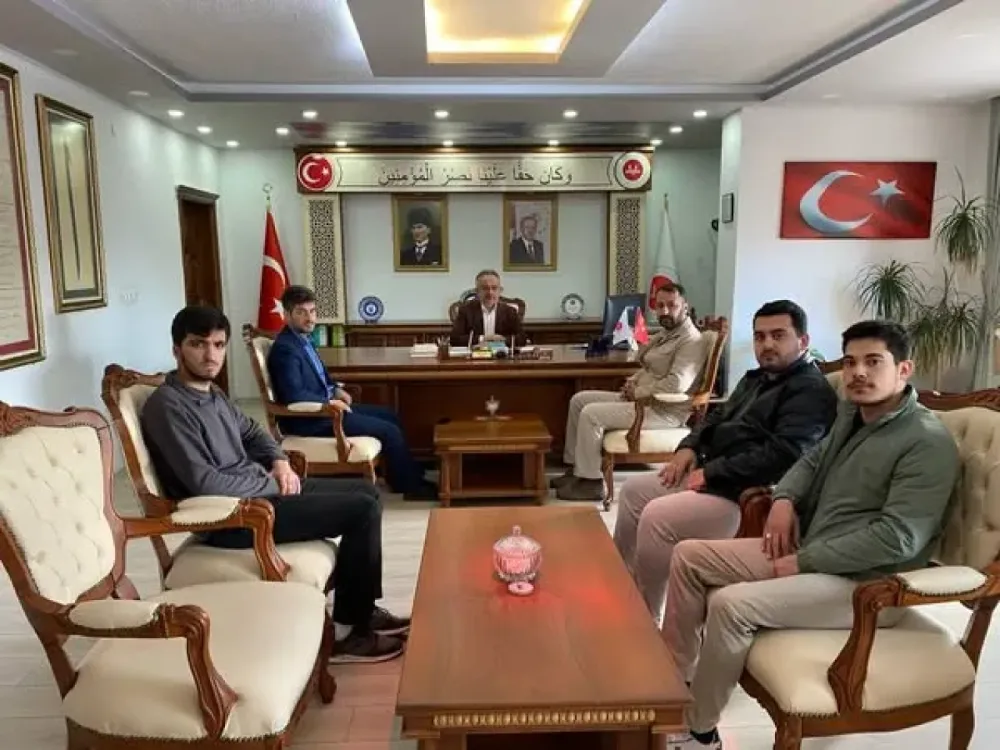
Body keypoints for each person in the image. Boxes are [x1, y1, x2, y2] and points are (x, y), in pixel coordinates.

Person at [661, 319, 960, 750]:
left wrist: (804, 561)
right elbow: (809, 461)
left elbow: (898, 538)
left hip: (869, 583)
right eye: (851, 362)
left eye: (873, 362)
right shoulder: (852, 416)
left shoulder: (925, 441)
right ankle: (675, 686)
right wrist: (784, 500)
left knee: (731, 605)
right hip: (816, 549)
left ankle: (698, 732)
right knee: (689, 556)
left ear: (904, 369)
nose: (858, 373)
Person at [141, 305, 410, 664]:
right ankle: (348, 635)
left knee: (366, 493)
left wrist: (280, 462)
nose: (210, 355)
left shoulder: (212, 394)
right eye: (198, 344)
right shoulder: (169, 406)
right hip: (232, 518)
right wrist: (268, 483)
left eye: (218, 345)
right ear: (177, 349)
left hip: (259, 495)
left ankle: (361, 609)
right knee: (360, 509)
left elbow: (253, 432)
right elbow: (203, 482)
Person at [613, 300, 838, 621]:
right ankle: (623, 587)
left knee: (657, 516)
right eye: (760, 337)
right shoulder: (756, 378)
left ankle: (645, 617)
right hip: (716, 474)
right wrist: (689, 447)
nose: (767, 344)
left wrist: (712, 472)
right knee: (633, 490)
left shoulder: (809, 391)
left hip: (746, 492)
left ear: (803, 341)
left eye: (778, 335)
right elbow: (716, 417)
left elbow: (786, 455)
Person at [267, 285, 436, 500]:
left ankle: (402, 472)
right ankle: (410, 486)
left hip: (327, 409)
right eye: (301, 312)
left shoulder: (302, 340)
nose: (310, 318)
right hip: (311, 418)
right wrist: (329, 404)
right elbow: (294, 395)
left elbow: (319, 376)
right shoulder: (286, 349)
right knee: (389, 431)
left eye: (312, 311)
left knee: (390, 415)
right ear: (287, 314)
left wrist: (335, 389)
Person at [553, 283, 705, 502]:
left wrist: (639, 391)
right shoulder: (667, 334)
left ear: (685, 307)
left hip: (663, 411)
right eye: (660, 305)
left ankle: (590, 483)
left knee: (591, 414)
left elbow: (676, 384)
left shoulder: (691, 340)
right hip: (644, 400)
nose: (664, 311)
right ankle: (577, 470)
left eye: (672, 305)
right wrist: (632, 382)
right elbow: (649, 367)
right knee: (579, 400)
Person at [449, 269, 525, 346]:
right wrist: (483, 338)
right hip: (475, 353)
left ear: (500, 290)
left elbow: (522, 339)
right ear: (477, 291)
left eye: (494, 288)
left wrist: (502, 340)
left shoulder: (510, 311)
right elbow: (455, 339)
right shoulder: (466, 311)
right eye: (485, 288)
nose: (490, 292)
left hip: (501, 352)